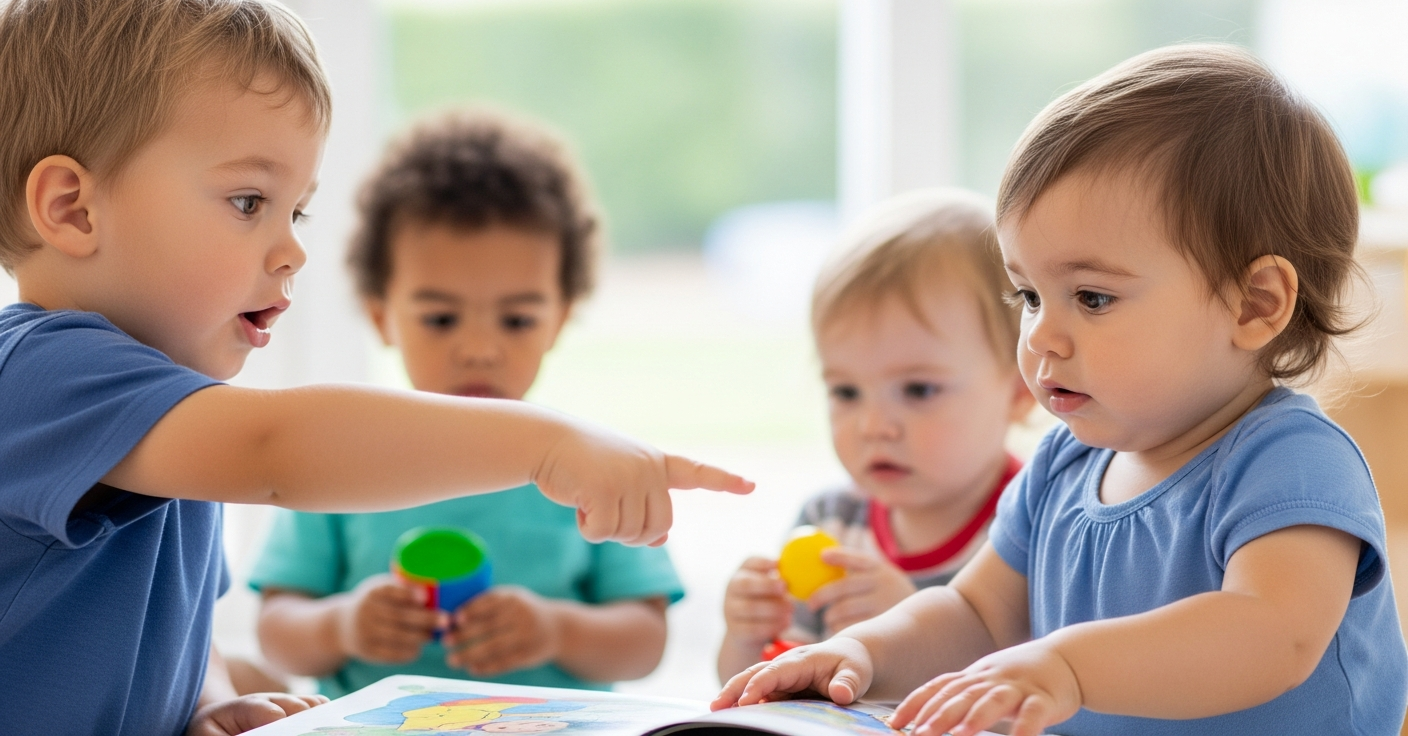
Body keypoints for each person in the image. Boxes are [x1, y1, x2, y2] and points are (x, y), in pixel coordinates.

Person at [0, 0, 750, 736]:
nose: (292, 248)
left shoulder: (169, 418)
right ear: (73, 207)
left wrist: (207, 700)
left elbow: (176, 633)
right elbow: (278, 448)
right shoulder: (37, 374)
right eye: (249, 202)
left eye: (297, 210)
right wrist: (544, 443)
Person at [712, 43, 1408, 736]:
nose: (1042, 337)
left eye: (1092, 297)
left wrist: (1068, 666)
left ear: (1254, 304)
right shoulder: (1062, 466)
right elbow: (975, 615)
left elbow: (1270, 635)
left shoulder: (1290, 461)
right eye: (1029, 295)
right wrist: (861, 650)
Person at [250, 108, 684, 695]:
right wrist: (343, 624)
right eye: (441, 318)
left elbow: (644, 638)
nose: (479, 349)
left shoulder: (590, 465)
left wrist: (558, 631)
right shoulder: (339, 454)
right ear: (382, 316)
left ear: (558, 320)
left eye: (517, 319)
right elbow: (278, 625)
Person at [715, 190, 1033, 682]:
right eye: (845, 391)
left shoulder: (1033, 528)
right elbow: (763, 685)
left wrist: (910, 629)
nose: (872, 426)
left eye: (918, 389)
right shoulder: (832, 525)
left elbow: (1030, 705)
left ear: (1019, 389)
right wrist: (746, 637)